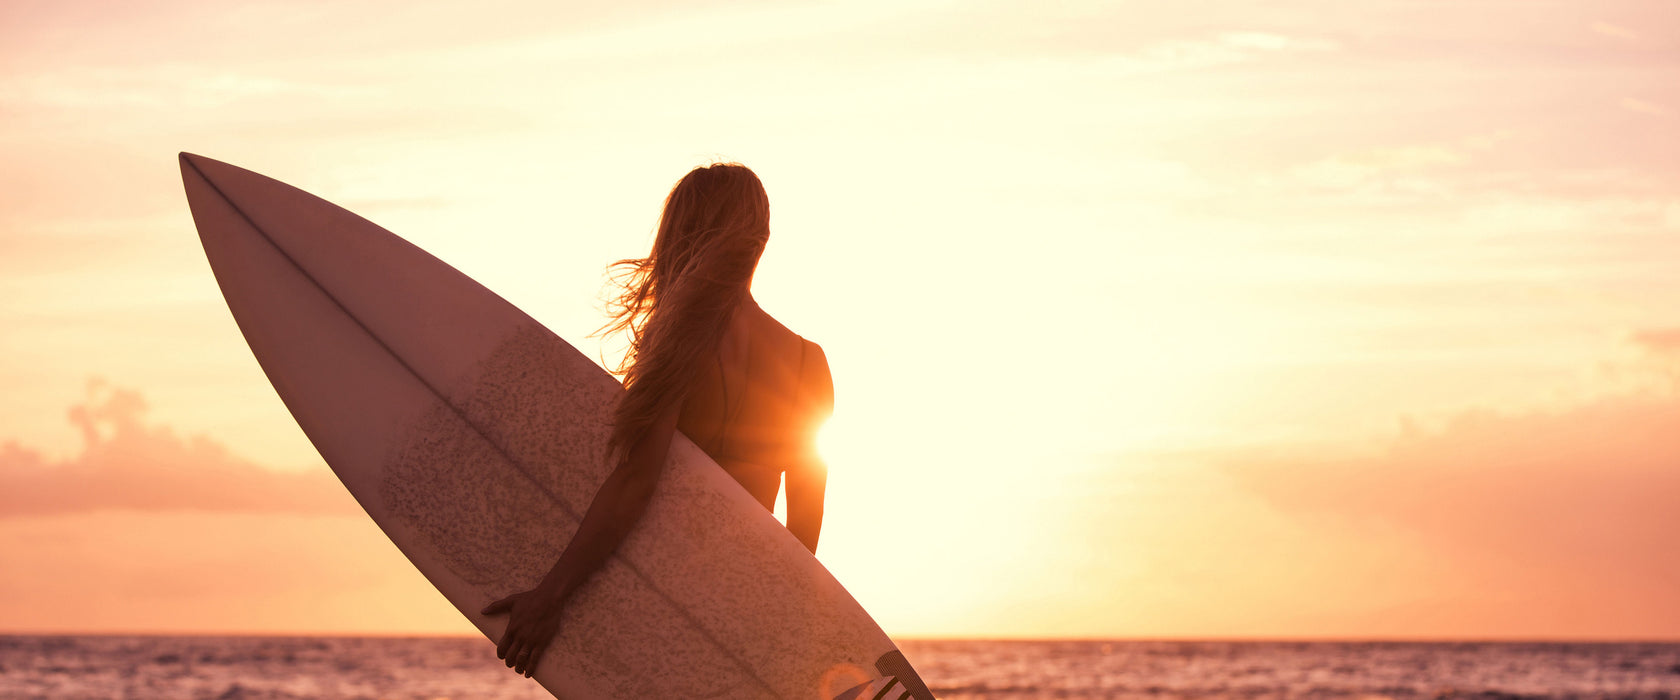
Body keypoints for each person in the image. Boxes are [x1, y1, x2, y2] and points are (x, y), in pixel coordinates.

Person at [480, 163, 834, 678]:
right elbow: (804, 532)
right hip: (745, 609)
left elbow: (636, 482)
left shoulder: (677, 342)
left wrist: (551, 596)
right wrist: (777, 638)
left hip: (660, 596)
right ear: (761, 239)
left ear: (681, 237)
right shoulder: (809, 362)